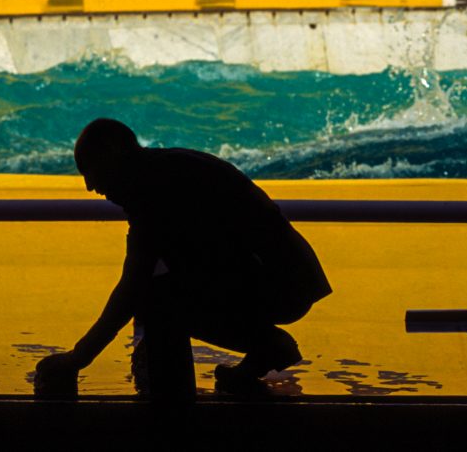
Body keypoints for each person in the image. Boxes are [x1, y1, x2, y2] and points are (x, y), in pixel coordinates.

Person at [34, 118, 332, 399]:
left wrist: (78, 358)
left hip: (278, 282)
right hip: (290, 276)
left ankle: (173, 403)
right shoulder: (168, 170)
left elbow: (133, 286)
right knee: (163, 284)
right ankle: (263, 348)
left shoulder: (155, 191)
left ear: (113, 155)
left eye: (90, 170)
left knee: (155, 297)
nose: (90, 186)